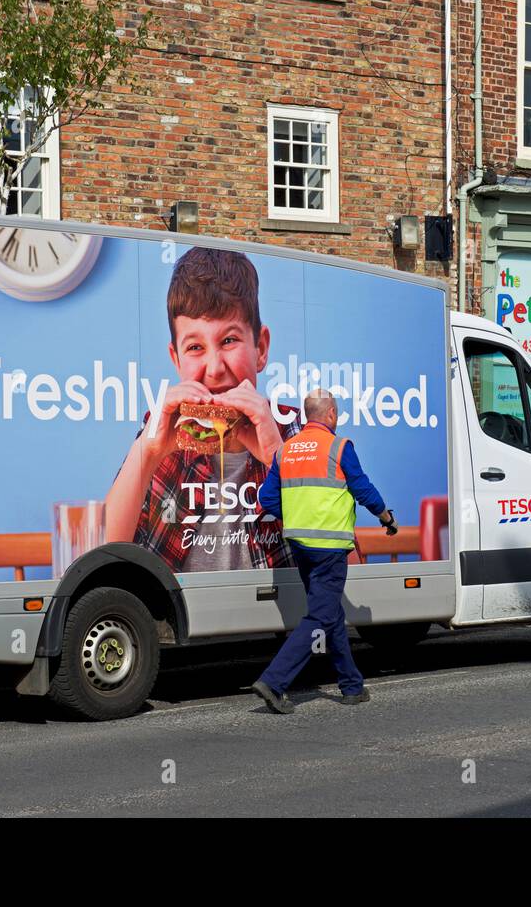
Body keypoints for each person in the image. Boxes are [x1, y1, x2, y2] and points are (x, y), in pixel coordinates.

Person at [104, 247, 298, 572]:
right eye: (195, 347)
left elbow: (345, 574)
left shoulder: (296, 431)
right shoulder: (162, 432)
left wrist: (279, 461)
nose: (214, 367)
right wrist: (148, 452)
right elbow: (102, 560)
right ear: (176, 359)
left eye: (229, 341)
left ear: (260, 349)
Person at [250, 388, 397, 714]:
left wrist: (299, 516)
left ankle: (351, 686)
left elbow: (268, 499)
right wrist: (385, 516)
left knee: (330, 613)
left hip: (300, 546)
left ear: (306, 416)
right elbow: (362, 488)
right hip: (330, 548)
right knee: (319, 616)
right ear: (330, 414)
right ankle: (273, 681)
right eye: (337, 412)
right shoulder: (339, 447)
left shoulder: (286, 451)